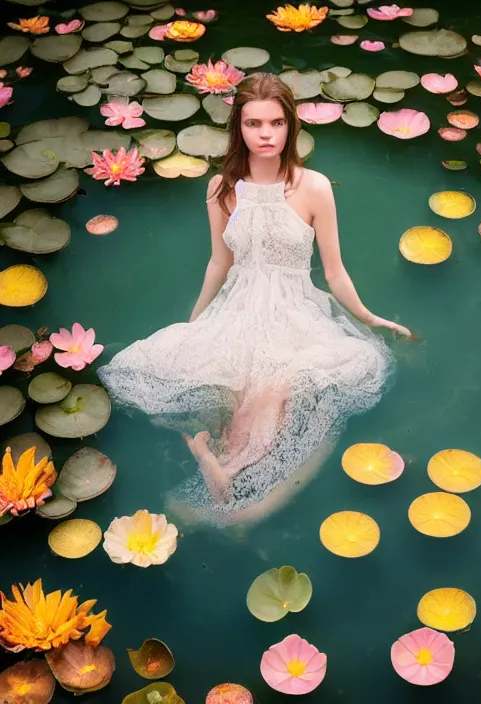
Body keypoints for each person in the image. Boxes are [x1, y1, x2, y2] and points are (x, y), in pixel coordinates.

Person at [98, 72, 411, 520]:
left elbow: (334, 271)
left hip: (295, 308)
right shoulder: (221, 189)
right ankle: (222, 466)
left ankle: (232, 476)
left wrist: (368, 316)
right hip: (240, 303)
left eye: (276, 124)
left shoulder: (315, 187)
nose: (266, 134)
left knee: (280, 391)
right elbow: (218, 263)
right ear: (238, 128)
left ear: (291, 127)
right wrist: (196, 322)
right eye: (254, 124)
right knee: (223, 384)